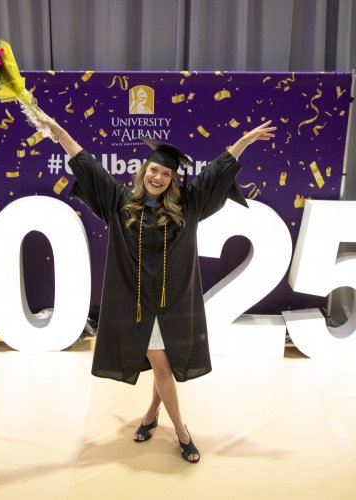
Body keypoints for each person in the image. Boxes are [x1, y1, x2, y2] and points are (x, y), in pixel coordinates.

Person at [35, 110, 275, 463]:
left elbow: (215, 175)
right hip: (135, 305)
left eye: (166, 172)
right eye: (154, 169)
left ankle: (151, 415)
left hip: (174, 304)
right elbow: (86, 165)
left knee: (166, 365)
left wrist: (243, 142)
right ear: (143, 171)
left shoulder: (188, 206)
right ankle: (182, 432)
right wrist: (57, 131)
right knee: (162, 366)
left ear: (173, 179)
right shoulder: (119, 203)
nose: (158, 176)